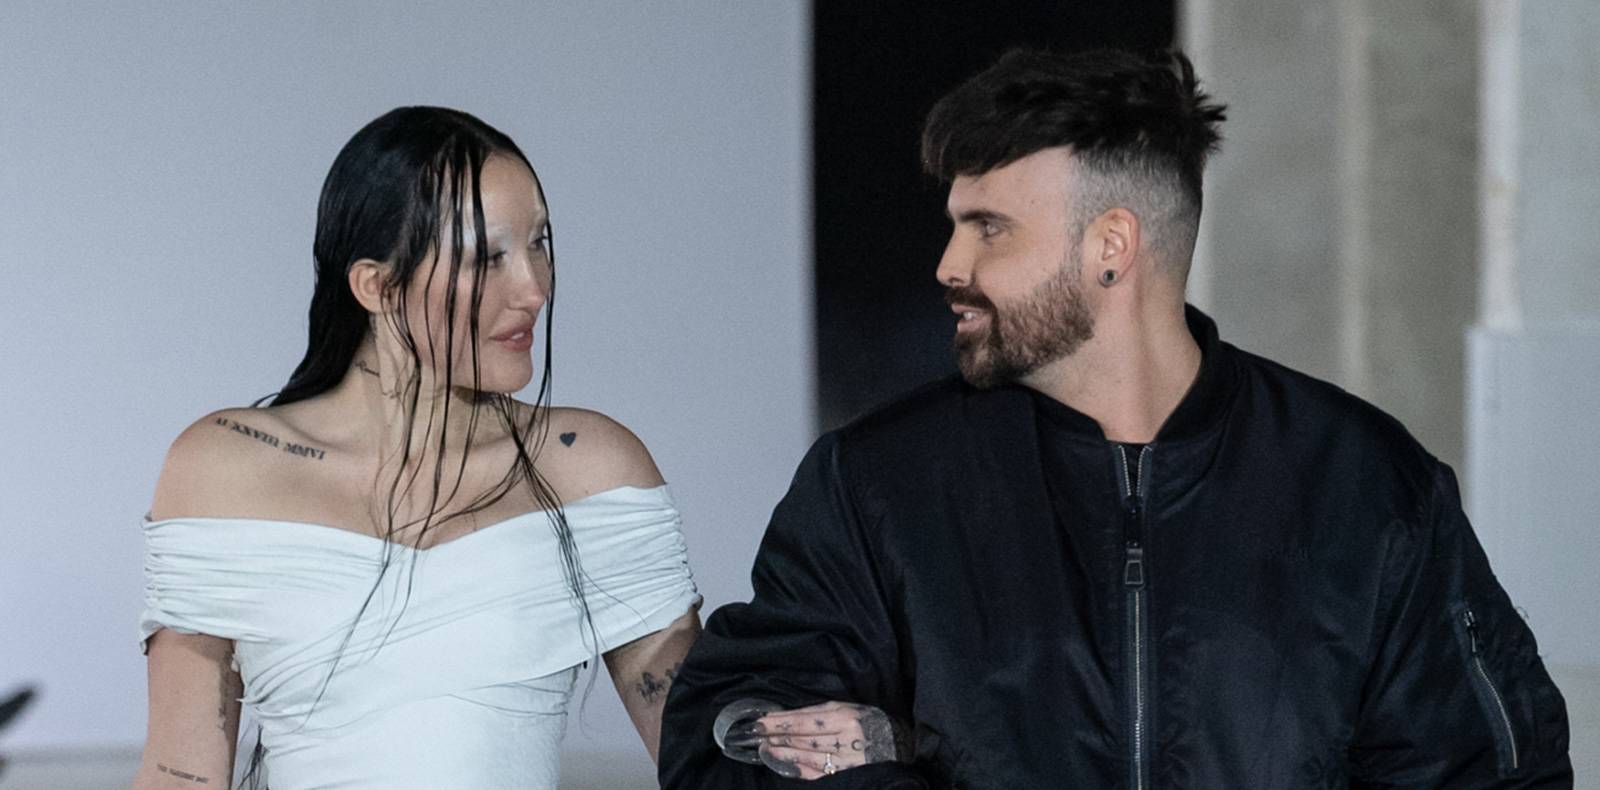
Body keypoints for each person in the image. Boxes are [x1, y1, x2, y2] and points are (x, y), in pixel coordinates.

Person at [659, 49, 1572, 788]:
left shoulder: (1366, 482)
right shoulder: (878, 484)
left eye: (989, 227)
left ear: (1111, 246)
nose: (948, 264)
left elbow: (1487, 771)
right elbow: (728, 740)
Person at [134, 107, 702, 790]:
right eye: (487, 258)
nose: (534, 289)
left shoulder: (589, 469)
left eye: (540, 243)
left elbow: (705, 762)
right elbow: (179, 775)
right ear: (375, 285)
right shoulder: (224, 471)